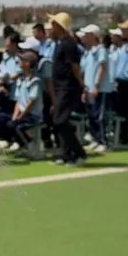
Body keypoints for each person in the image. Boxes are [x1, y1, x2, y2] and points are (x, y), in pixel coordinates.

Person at [46, 12, 85, 166]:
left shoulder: (69, 44)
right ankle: (66, 154)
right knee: (60, 120)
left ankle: (79, 153)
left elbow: (74, 66)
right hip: (61, 87)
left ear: (59, 26)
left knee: (60, 120)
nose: (50, 28)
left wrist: (81, 84)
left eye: (53, 25)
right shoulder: (61, 43)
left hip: (68, 88)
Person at [79, 24, 111, 153]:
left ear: (93, 36)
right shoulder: (88, 52)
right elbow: (85, 72)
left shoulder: (101, 50)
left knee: (100, 116)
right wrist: (84, 90)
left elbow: (102, 68)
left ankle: (103, 142)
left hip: (100, 89)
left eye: (86, 35)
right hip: (89, 89)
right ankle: (95, 139)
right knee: (91, 116)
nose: (84, 37)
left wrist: (97, 86)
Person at [5, 52, 44, 149]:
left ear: (28, 64)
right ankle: (25, 145)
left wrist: (20, 117)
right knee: (2, 120)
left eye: (22, 60)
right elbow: (18, 101)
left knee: (15, 126)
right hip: (24, 114)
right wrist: (15, 117)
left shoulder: (35, 80)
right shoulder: (21, 79)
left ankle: (31, 147)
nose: (19, 61)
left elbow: (31, 102)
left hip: (33, 115)